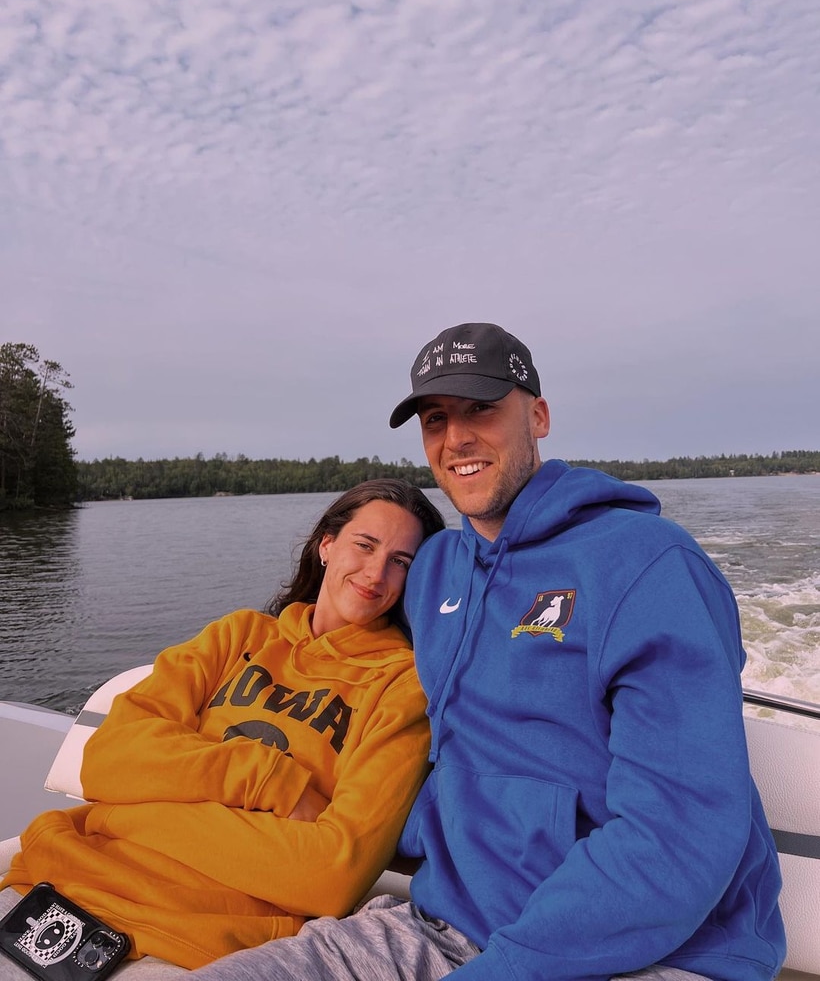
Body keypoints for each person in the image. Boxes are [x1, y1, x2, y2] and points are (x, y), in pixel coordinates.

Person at [189, 323, 786, 981]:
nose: (456, 439)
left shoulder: (647, 566)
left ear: (538, 415)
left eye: (481, 409)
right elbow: (358, 659)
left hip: (651, 950)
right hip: (445, 923)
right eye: (435, 419)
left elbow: (679, 834)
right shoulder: (437, 568)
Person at [0, 479, 445, 973]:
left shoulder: (401, 686)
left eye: (401, 561)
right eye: (365, 545)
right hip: (56, 879)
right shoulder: (239, 635)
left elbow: (330, 876)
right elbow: (106, 756)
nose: (377, 572)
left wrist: (128, 809)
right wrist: (273, 781)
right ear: (326, 545)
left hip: (195, 941)